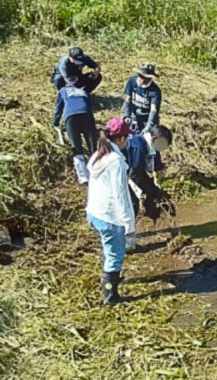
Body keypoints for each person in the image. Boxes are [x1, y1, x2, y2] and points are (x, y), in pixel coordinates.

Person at [86, 118, 136, 306]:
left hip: (94, 212)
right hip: (109, 216)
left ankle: (109, 279)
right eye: (126, 138)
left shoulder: (99, 154)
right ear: (121, 139)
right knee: (116, 254)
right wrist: (129, 224)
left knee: (108, 248)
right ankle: (110, 295)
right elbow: (121, 195)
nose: (127, 141)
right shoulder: (116, 162)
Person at [123, 125, 176, 251]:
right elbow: (135, 174)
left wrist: (153, 189)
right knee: (132, 203)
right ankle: (126, 244)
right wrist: (152, 191)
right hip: (112, 175)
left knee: (131, 203)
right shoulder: (138, 146)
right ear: (154, 138)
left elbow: (147, 170)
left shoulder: (144, 144)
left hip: (120, 173)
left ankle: (125, 238)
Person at [51, 47, 101, 143]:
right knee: (59, 81)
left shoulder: (84, 58)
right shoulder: (64, 64)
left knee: (97, 78)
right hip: (65, 80)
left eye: (80, 60)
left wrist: (95, 73)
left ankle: (84, 94)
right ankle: (69, 96)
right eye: (77, 60)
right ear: (70, 57)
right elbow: (69, 82)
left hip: (77, 77)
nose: (79, 62)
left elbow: (96, 66)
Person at [53, 76, 96, 185]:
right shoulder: (83, 91)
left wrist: (55, 122)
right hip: (86, 115)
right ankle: (96, 171)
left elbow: (59, 107)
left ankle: (83, 177)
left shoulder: (63, 91)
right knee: (92, 145)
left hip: (71, 117)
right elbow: (89, 106)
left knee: (76, 146)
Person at [122, 63, 164, 171]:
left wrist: (149, 127)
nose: (142, 80)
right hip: (134, 118)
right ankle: (134, 165)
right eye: (141, 76)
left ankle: (154, 168)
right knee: (133, 142)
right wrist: (126, 115)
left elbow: (153, 110)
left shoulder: (155, 91)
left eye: (146, 78)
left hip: (148, 120)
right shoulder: (132, 81)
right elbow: (127, 100)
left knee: (151, 145)